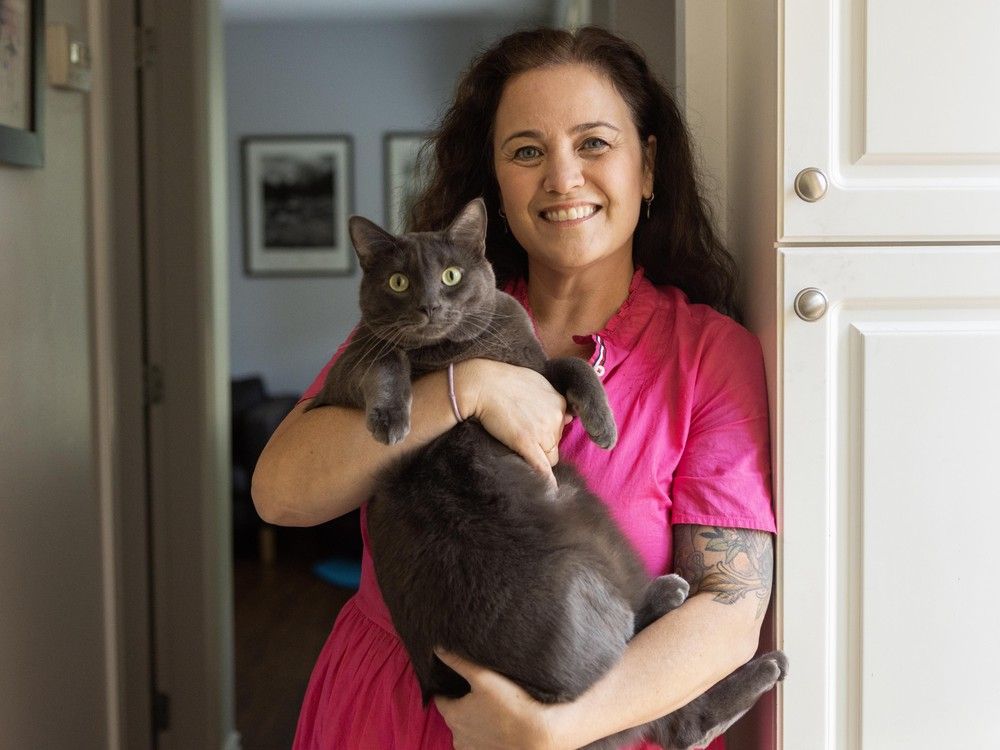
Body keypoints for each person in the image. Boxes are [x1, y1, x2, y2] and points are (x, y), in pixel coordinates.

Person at [253, 26, 776, 750]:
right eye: (527, 151)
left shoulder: (708, 354)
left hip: (601, 722)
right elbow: (280, 494)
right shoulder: (418, 321)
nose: (563, 178)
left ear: (647, 166)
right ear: (495, 186)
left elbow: (730, 606)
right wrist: (466, 390)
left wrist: (553, 731)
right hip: (391, 715)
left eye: (594, 143)